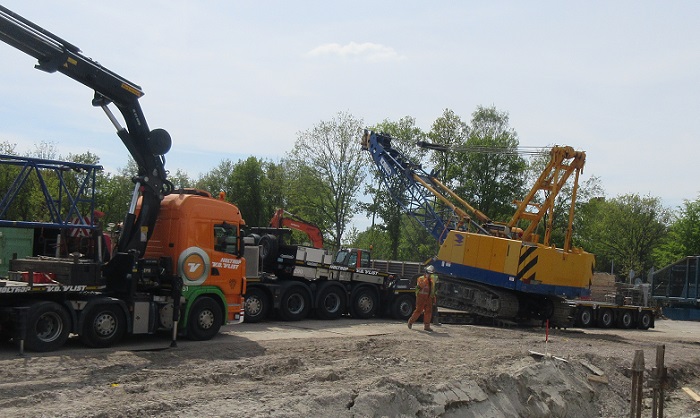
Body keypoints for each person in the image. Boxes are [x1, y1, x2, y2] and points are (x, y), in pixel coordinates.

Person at [408, 265, 437, 332]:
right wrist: (426, 280)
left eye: (430, 274)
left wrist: (433, 297)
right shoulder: (420, 278)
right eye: (429, 273)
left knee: (428, 312)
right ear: (426, 272)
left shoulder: (431, 281)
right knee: (418, 311)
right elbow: (419, 287)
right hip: (421, 297)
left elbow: (432, 290)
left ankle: (427, 326)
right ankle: (411, 321)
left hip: (429, 298)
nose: (429, 275)